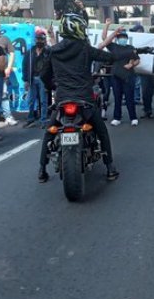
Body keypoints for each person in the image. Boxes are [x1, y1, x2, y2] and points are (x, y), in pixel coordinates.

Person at [40, 13, 118, 182]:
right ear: (77, 29)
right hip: (85, 100)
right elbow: (107, 57)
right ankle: (110, 167)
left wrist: (53, 86)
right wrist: (124, 54)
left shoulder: (53, 51)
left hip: (62, 100)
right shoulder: (84, 48)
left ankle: (41, 170)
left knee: (49, 132)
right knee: (102, 131)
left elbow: (44, 76)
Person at [99, 25, 140, 127]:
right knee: (117, 97)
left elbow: (137, 59)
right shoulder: (114, 47)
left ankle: (133, 118)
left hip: (128, 75)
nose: (123, 39)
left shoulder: (131, 48)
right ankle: (117, 118)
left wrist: (131, 64)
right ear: (117, 39)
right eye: (121, 38)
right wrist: (106, 26)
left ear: (127, 39)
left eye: (124, 38)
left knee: (129, 97)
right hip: (116, 75)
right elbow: (104, 38)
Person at [0, 19, 18, 127]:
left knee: (4, 93)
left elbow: (12, 53)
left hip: (1, 72)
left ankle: (8, 116)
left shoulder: (4, 39)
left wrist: (9, 67)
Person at [22, 29, 51, 129]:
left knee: (43, 101)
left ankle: (43, 120)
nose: (39, 41)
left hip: (43, 79)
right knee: (30, 100)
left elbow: (52, 66)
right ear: (35, 40)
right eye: (38, 39)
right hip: (32, 79)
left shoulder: (48, 51)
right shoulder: (30, 52)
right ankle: (30, 119)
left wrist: (50, 81)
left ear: (44, 40)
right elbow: (25, 65)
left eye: (41, 39)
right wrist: (25, 80)